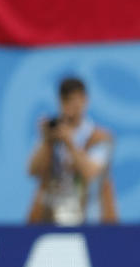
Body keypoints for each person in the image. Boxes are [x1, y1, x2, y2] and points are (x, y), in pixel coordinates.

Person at [27, 77, 117, 225]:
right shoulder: (53, 134)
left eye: (75, 100)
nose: (72, 107)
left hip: (91, 217)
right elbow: (33, 170)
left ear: (85, 100)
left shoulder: (99, 137)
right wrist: (46, 142)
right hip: (51, 216)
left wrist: (69, 142)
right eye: (66, 101)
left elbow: (91, 173)